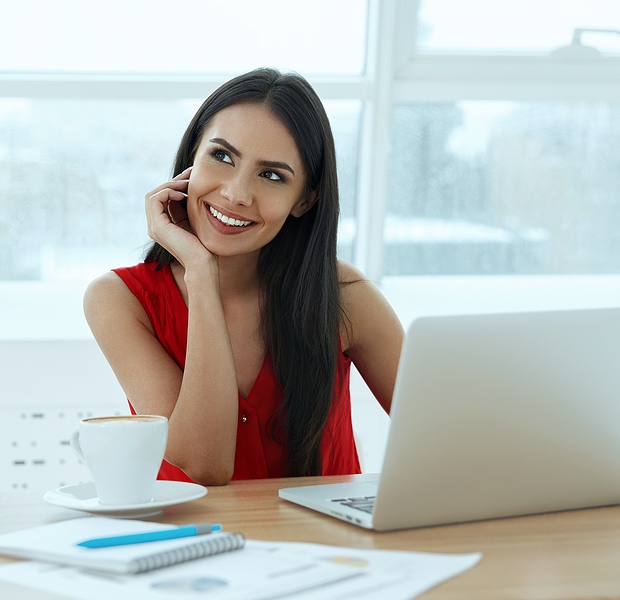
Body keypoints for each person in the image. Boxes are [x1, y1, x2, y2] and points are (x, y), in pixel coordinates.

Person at [84, 68, 403, 486]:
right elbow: (204, 465)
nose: (236, 193)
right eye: (221, 156)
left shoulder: (345, 296)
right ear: (191, 160)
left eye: (271, 175)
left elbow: (450, 436)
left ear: (304, 200)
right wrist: (200, 272)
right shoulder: (120, 300)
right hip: (190, 549)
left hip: (328, 548)